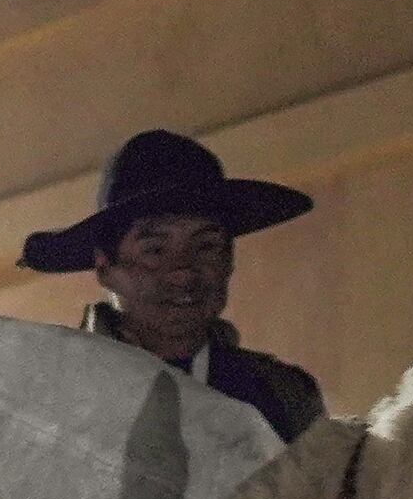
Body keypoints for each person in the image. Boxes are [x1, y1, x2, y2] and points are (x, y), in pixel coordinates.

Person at [19, 126, 326, 440]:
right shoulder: (50, 399)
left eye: (206, 246)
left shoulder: (281, 397)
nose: (183, 273)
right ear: (104, 266)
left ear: (229, 261)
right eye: (155, 250)